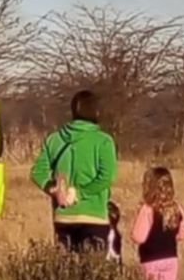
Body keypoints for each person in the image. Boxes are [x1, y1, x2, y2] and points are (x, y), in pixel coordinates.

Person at [30, 90, 119, 252]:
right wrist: (80, 193)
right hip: (94, 215)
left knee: (65, 270)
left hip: (63, 216)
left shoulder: (54, 139)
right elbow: (106, 177)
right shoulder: (103, 141)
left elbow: (37, 172)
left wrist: (53, 188)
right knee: (92, 272)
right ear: (96, 111)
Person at [131, 167, 184, 280]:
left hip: (150, 260)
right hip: (171, 259)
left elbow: (138, 237)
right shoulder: (177, 209)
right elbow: (183, 234)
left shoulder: (147, 209)